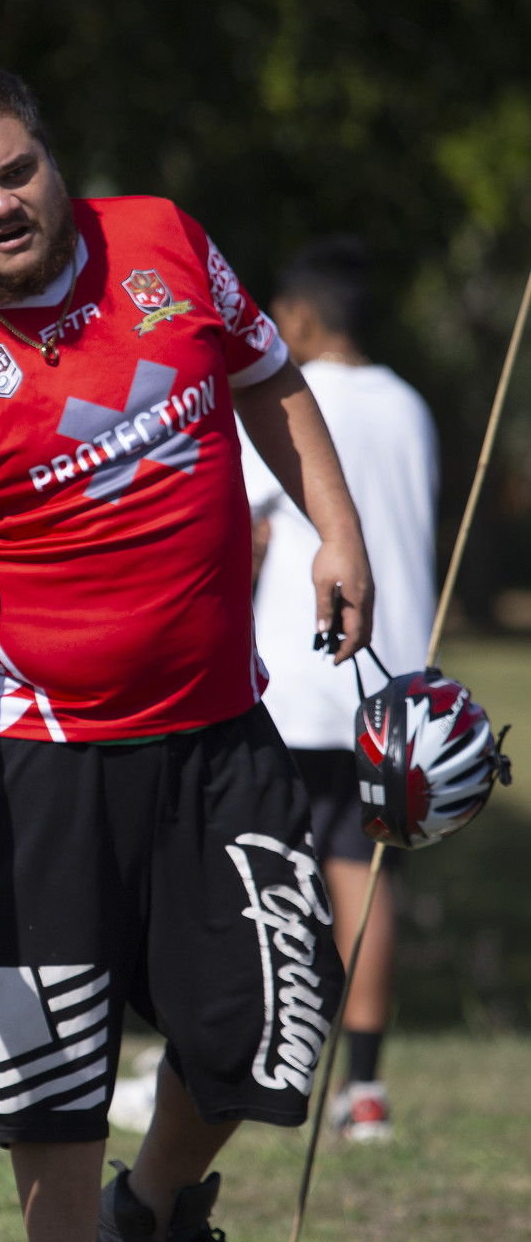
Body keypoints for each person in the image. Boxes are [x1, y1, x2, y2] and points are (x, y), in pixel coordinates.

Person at [0, 66, 371, 1242]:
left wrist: (336, 533)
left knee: (272, 1015)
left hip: (218, 726)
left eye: (15, 170)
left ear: (51, 160)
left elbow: (268, 379)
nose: (0, 203)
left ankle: (154, 1208)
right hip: (30, 752)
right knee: (48, 1058)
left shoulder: (164, 243)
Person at [241, 237, 438, 1143]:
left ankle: (247, 1057)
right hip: (393, 689)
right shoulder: (411, 405)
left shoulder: (288, 398)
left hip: (298, 670)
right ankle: (364, 1087)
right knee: (364, 870)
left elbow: (250, 529)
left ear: (301, 317)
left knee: (260, 870)